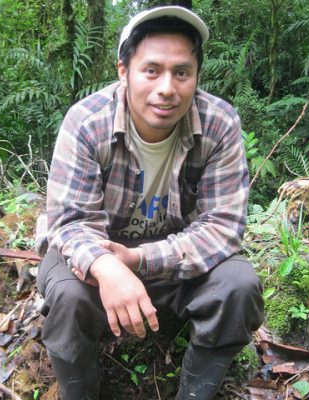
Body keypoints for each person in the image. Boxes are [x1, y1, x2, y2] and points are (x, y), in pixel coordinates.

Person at [35, 5, 264, 400]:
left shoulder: (218, 123)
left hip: (176, 260)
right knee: (68, 298)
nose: (166, 88)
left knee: (238, 286)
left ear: (196, 76)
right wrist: (107, 266)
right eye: (151, 70)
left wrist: (140, 260)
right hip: (100, 253)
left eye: (182, 72)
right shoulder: (88, 122)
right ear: (124, 71)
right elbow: (69, 224)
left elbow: (223, 226)